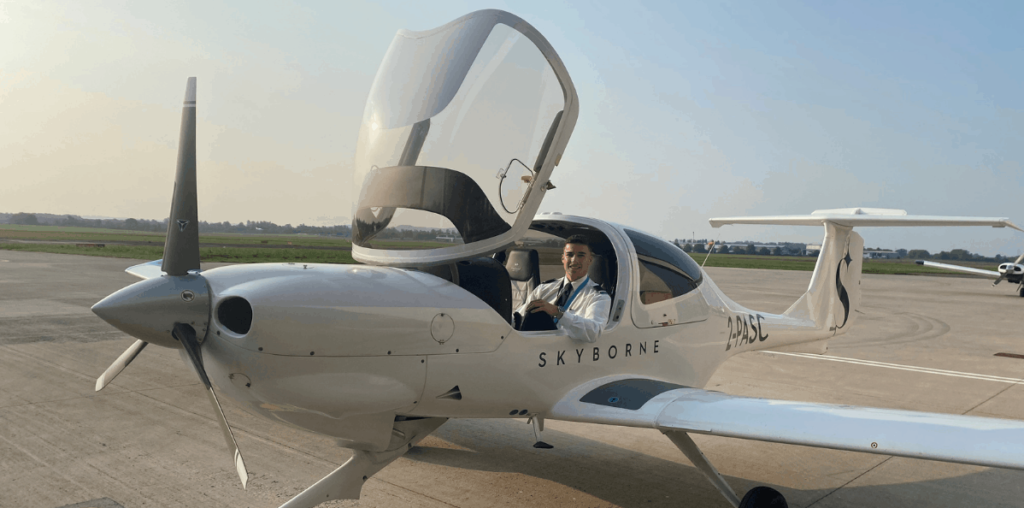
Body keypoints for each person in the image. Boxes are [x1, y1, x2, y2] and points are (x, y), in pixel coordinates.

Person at [515, 234, 611, 342]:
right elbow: (519, 317)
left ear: (590, 260)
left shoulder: (598, 297)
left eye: (581, 255)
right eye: (569, 255)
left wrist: (558, 313)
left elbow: (593, 332)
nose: (574, 260)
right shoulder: (544, 289)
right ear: (563, 258)